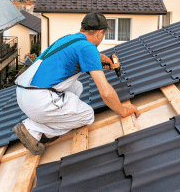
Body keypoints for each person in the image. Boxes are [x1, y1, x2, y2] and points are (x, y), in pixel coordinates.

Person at [14, 12, 139, 154]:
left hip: (23, 93)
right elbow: (105, 91)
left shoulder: (70, 39)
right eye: (103, 35)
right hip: (37, 100)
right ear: (99, 34)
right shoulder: (88, 48)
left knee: (77, 86)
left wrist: (98, 59)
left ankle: (49, 118)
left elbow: (70, 58)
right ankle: (33, 129)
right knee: (87, 115)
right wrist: (122, 110)